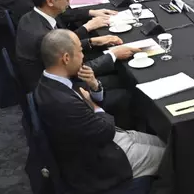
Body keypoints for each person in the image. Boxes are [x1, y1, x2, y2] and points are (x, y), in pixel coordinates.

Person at [34, 29, 165, 194]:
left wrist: (94, 85)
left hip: (105, 140)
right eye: (80, 52)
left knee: (168, 143)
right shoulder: (62, 102)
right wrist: (93, 104)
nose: (83, 57)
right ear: (66, 58)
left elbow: (95, 109)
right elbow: (106, 130)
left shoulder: (53, 80)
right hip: (102, 162)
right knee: (173, 155)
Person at [15, 0, 138, 92]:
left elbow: (64, 48)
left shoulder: (31, 17)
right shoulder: (43, 37)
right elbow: (76, 71)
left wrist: (93, 41)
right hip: (58, 90)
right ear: (50, 1)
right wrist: (114, 55)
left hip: (52, 78)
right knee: (124, 83)